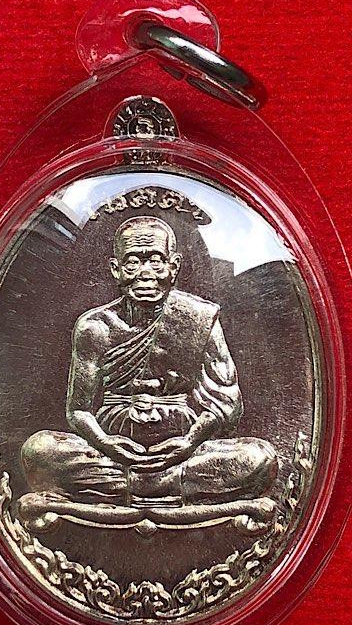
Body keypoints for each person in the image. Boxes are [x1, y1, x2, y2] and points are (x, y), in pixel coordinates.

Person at [21, 215, 277, 511]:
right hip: (112, 453)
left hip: (184, 449)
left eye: (155, 261)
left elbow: (226, 405)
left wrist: (189, 442)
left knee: (258, 459)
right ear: (116, 270)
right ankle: (166, 486)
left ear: (174, 266)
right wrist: (105, 443)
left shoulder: (199, 317)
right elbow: (78, 410)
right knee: (39, 451)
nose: (145, 274)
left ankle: (129, 488)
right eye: (132, 263)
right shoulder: (95, 326)